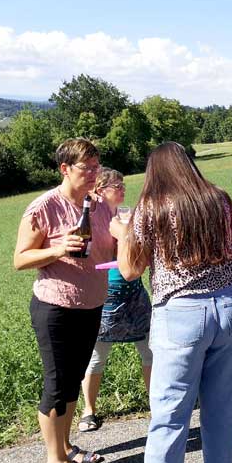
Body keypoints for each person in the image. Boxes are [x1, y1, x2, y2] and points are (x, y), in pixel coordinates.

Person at [110, 142, 232, 463]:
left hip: (181, 312)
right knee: (223, 413)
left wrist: (123, 233)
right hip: (230, 304)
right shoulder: (217, 197)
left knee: (170, 418)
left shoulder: (151, 207)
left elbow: (130, 270)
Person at [14, 138, 113, 463]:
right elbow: (20, 259)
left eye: (96, 167)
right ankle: (54, 460)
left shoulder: (99, 206)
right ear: (65, 169)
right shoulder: (44, 207)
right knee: (57, 385)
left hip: (91, 304)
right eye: (87, 168)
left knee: (72, 380)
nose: (93, 173)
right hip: (55, 307)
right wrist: (57, 249)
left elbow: (110, 249)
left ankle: (67, 445)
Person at [78, 168, 152, 433]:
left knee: (149, 350)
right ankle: (89, 410)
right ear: (100, 190)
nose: (122, 189)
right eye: (116, 186)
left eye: (122, 184)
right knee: (96, 357)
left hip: (134, 291)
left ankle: (156, 405)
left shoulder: (129, 216)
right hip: (105, 294)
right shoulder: (92, 219)